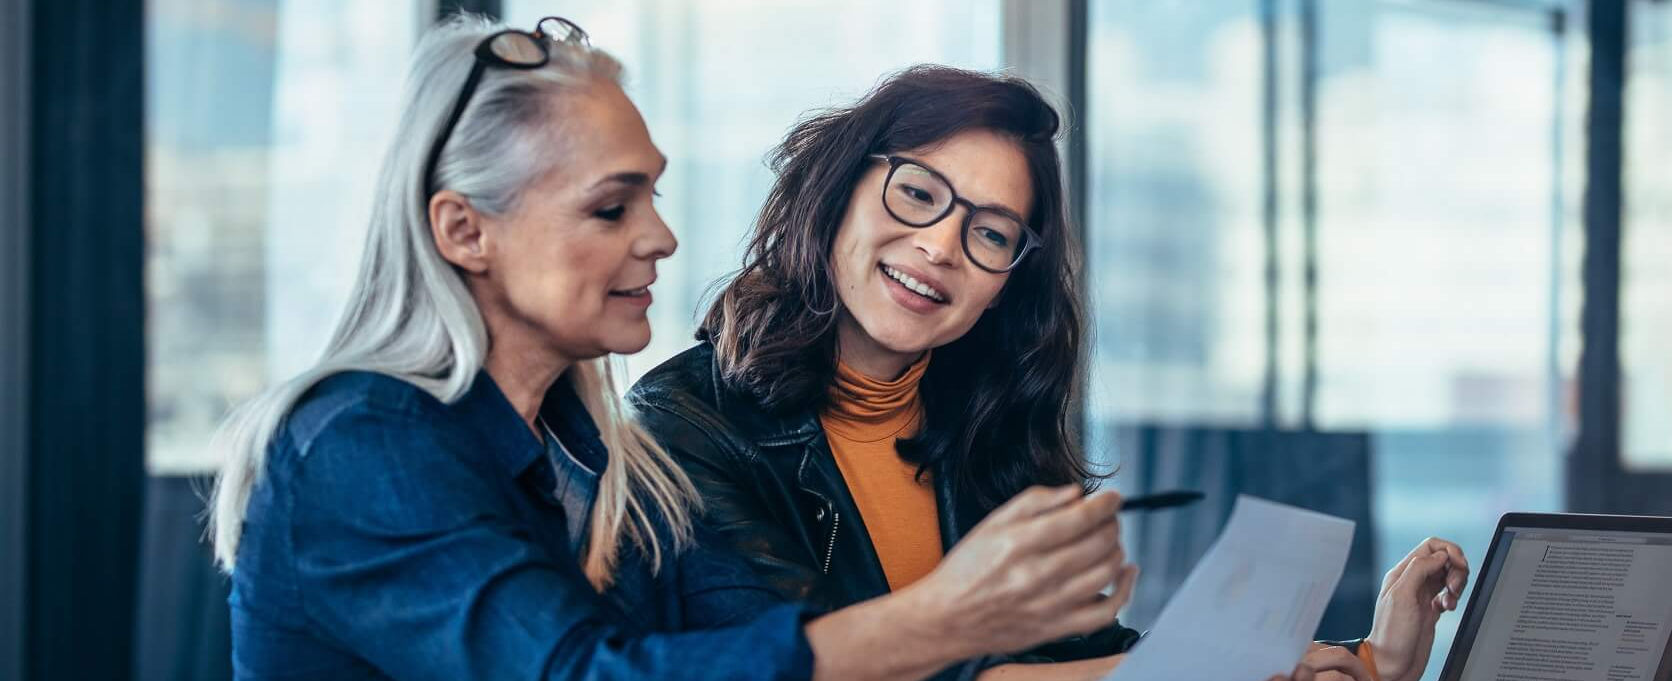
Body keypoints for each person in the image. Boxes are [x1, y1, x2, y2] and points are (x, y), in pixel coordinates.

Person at [208, 18, 1128, 680]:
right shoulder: (362, 442)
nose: (661, 238)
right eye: (612, 207)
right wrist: (949, 618)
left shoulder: (599, 460)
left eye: (651, 196)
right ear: (463, 231)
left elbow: (749, 645)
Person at [627, 65, 1470, 681]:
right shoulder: (683, 426)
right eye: (918, 193)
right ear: (839, 190)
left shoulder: (982, 424)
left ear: (1004, 286)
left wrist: (1350, 659)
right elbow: (830, 667)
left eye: (991, 233)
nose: (940, 246)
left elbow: (1075, 657)